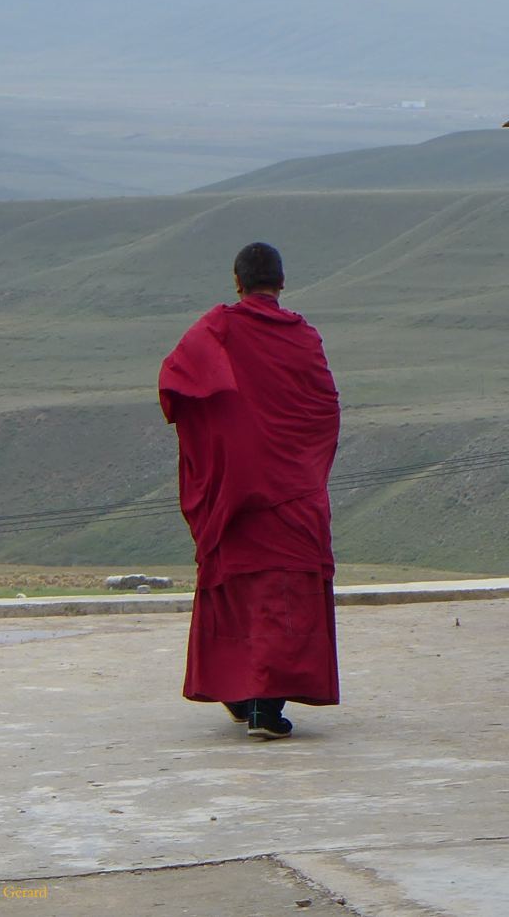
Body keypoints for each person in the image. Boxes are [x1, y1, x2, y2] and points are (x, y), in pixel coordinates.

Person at [159, 242, 341, 740]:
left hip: (237, 492)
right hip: (294, 490)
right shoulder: (303, 338)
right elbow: (323, 409)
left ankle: (244, 694)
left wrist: (222, 448)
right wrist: (302, 467)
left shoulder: (217, 329)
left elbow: (177, 384)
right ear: (281, 284)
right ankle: (262, 703)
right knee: (284, 595)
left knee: (242, 589)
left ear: (237, 283)